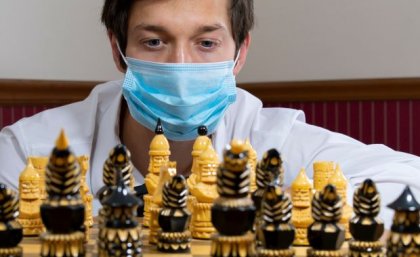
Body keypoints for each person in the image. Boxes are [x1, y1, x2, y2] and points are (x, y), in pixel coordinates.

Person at [0, 0, 419, 228]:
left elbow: (410, 182)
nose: (181, 65)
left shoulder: (274, 138)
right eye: (153, 42)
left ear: (240, 54)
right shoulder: (27, 149)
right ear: (117, 50)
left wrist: (267, 209)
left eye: (206, 44)